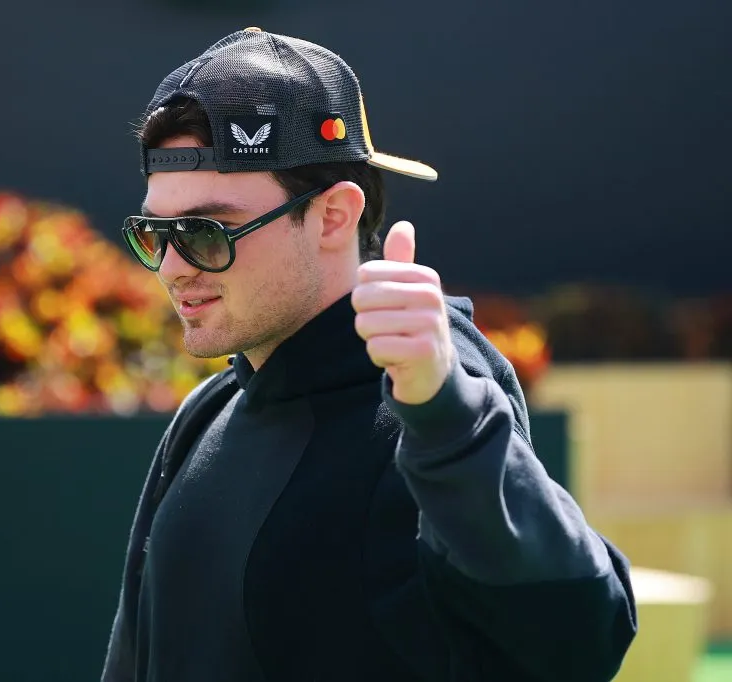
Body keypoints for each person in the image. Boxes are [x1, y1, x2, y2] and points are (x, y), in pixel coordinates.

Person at [102, 27, 637, 682]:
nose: (173, 269)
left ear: (333, 216)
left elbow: (581, 640)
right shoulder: (209, 411)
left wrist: (445, 409)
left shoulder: (434, 399)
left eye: (206, 232)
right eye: (157, 233)